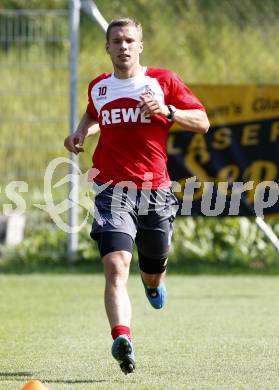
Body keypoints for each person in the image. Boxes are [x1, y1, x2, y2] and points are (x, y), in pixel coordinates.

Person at [64, 17, 209, 375]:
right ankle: (122, 338)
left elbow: (203, 121)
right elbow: (96, 113)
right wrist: (80, 132)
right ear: (108, 47)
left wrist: (168, 111)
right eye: (117, 41)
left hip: (155, 192)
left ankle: (153, 282)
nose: (123, 46)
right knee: (115, 266)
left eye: (130, 40)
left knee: (152, 271)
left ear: (140, 46)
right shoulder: (99, 86)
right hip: (112, 190)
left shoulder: (162, 82)